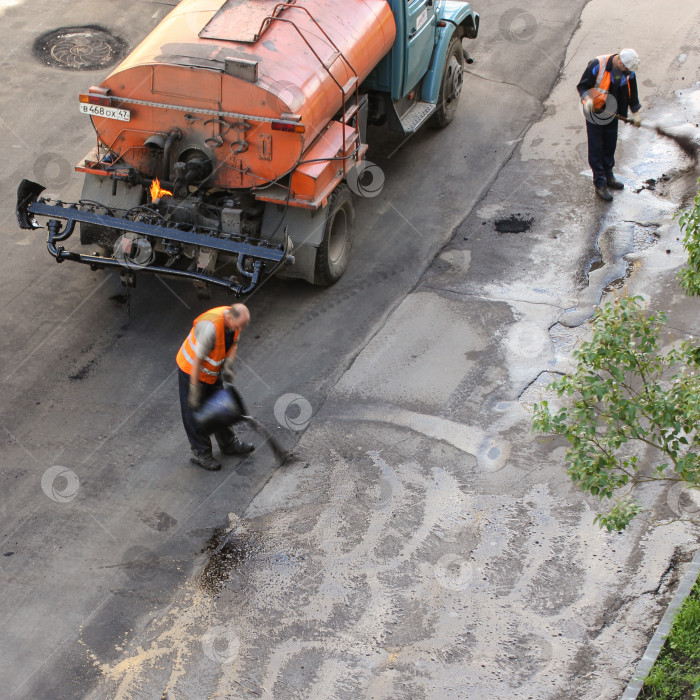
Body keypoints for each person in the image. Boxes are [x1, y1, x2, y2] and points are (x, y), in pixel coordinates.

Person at [176, 303, 254, 471]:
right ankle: (201, 453)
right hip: (191, 370)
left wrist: (228, 365)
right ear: (228, 318)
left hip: (211, 371)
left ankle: (228, 444)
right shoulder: (209, 329)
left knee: (221, 407)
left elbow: (233, 344)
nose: (240, 328)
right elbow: (197, 361)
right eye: (238, 325)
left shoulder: (235, 322)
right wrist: (195, 390)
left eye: (242, 326)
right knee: (193, 412)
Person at [577, 49, 642, 202]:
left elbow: (633, 90)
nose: (629, 73)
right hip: (595, 112)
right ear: (620, 63)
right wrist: (588, 101)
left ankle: (609, 175)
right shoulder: (597, 65)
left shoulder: (627, 70)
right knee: (596, 147)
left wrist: (635, 112)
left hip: (613, 111)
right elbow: (583, 86)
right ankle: (600, 183)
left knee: (610, 144)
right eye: (627, 69)